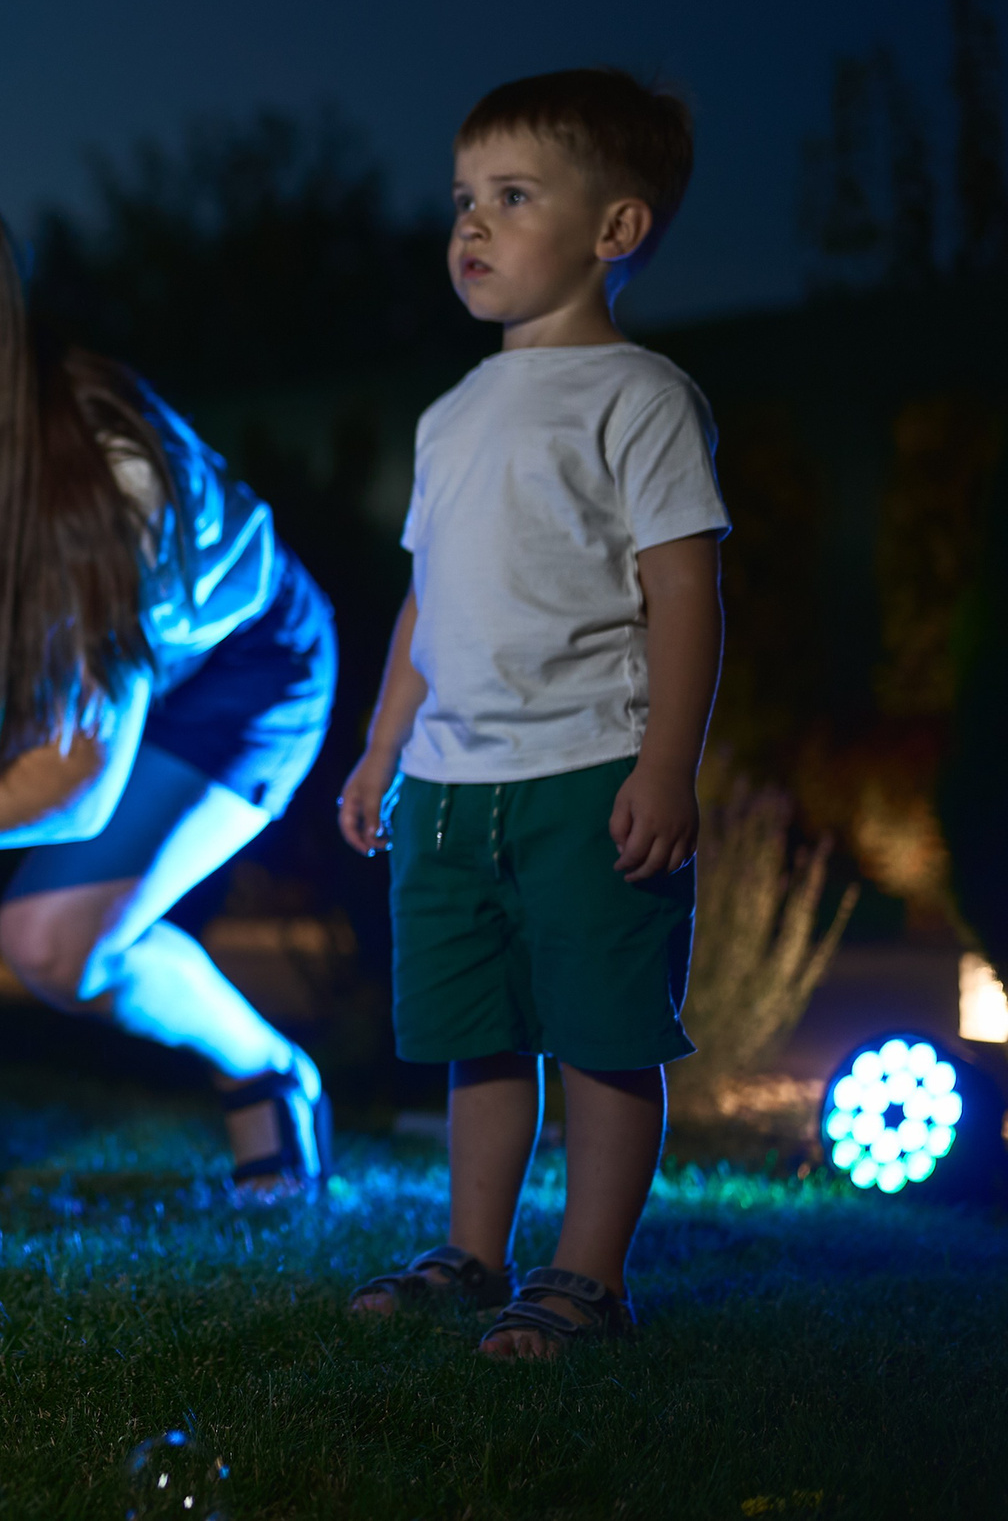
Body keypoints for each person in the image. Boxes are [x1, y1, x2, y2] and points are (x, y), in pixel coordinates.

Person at [0, 169, 340, 1240]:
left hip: (243, 678)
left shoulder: (110, 475)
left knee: (53, 946)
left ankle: (269, 1070)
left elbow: (74, 789)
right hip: (42, 656)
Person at [338, 70, 724, 1359]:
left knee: (604, 1036)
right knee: (478, 1034)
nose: (472, 227)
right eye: (462, 200)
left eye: (511, 197)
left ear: (614, 230)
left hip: (585, 769)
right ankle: (472, 1248)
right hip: (451, 785)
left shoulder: (640, 395)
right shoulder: (450, 415)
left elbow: (684, 589)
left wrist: (666, 762)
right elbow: (422, 601)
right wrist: (382, 750)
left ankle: (588, 1276)